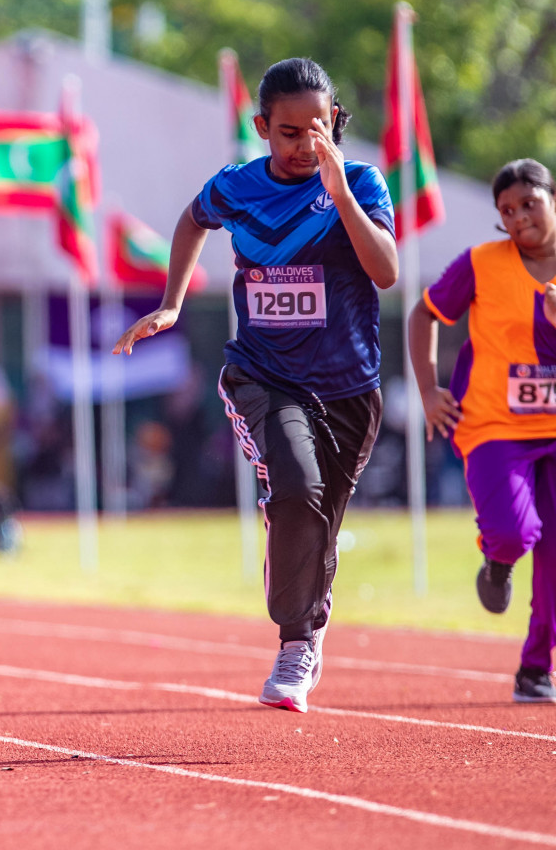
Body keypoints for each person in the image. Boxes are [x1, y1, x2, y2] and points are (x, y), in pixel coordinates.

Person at [114, 58, 398, 713]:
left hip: (349, 389)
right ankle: (295, 643)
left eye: (317, 130)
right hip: (264, 376)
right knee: (297, 489)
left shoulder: (360, 182)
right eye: (289, 132)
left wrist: (339, 192)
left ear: (334, 127)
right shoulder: (238, 187)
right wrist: (172, 302)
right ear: (262, 127)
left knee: (320, 517)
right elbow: (192, 219)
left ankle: (310, 615)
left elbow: (384, 272)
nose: (303, 146)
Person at [408, 159, 556, 705]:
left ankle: (536, 667)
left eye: (528, 205)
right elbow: (424, 315)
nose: (517, 219)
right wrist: (428, 390)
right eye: (506, 212)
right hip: (492, 424)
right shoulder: (480, 264)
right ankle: (498, 557)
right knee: (516, 533)